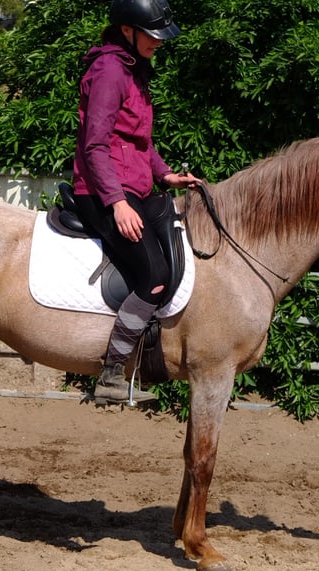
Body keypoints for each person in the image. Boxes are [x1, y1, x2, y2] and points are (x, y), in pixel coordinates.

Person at [72, 0, 199, 404]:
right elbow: (94, 146)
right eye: (153, 35)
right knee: (155, 275)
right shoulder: (110, 71)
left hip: (135, 187)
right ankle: (111, 374)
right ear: (127, 30)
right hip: (101, 193)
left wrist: (164, 173)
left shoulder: (133, 70)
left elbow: (138, 141)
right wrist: (116, 203)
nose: (159, 44)